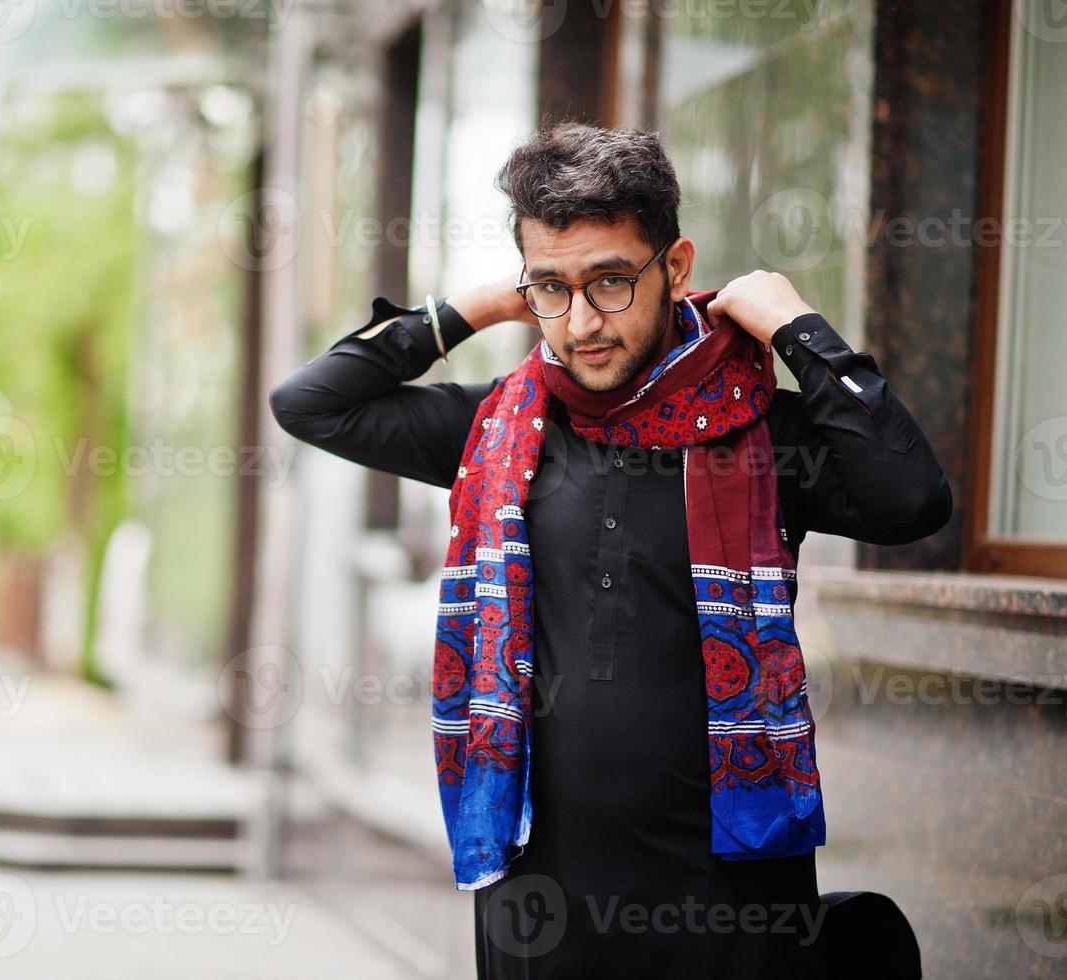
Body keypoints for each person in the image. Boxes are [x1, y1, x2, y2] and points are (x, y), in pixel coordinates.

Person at [268, 123, 952, 978]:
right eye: (551, 288)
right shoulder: (496, 429)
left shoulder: (763, 434)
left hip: (731, 896)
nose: (582, 321)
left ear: (674, 267)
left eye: (611, 281)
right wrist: (479, 306)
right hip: (539, 903)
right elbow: (310, 403)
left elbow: (913, 498)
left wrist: (796, 330)